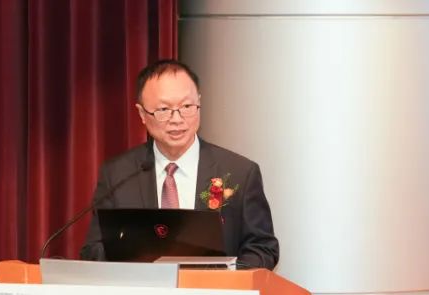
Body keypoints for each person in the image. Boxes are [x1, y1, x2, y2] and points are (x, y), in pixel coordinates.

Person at [81, 59, 280, 270]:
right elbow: (94, 250)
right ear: (142, 114)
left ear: (199, 103)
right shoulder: (117, 175)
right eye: (163, 109)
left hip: (216, 291)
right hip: (144, 290)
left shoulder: (239, 172)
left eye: (186, 107)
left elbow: (263, 248)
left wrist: (227, 278)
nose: (177, 119)